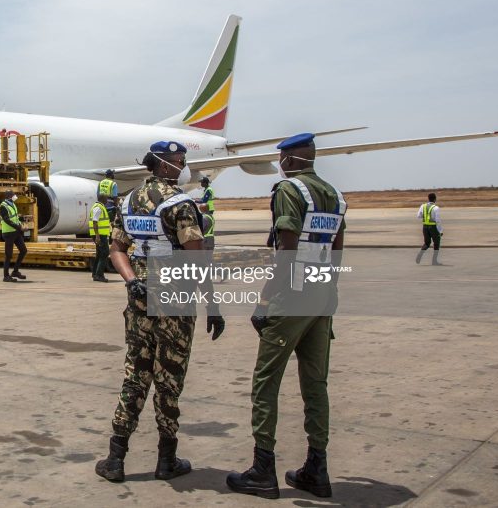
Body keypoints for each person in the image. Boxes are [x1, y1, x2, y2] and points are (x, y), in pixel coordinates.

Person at [95, 141, 225, 484]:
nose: (184, 166)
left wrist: (132, 281)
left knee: (135, 374)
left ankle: (115, 459)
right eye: (181, 161)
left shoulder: (129, 200)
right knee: (169, 377)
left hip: (140, 297)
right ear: (167, 165)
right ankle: (166, 460)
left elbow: (117, 249)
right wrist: (212, 305)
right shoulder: (181, 203)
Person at [227, 133, 345, 500]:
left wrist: (264, 301)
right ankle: (317, 468)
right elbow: (337, 251)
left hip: (291, 297)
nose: (280, 164)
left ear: (291, 161)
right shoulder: (335, 195)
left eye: (282, 159)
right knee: (315, 384)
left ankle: (263, 470)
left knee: (266, 382)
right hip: (322, 297)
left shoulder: (288, 190)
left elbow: (288, 249)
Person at [0, 191, 27, 282]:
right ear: (10, 197)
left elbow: (15, 218)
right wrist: (19, 227)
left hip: (16, 232)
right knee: (8, 255)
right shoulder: (3, 206)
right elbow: (7, 220)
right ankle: (6, 276)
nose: (15, 196)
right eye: (14, 195)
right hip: (8, 233)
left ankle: (15, 271)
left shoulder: (12, 204)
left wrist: (21, 224)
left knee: (23, 250)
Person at [415, 193, 443, 265]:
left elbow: (418, 216)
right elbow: (438, 220)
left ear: (428, 198)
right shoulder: (436, 208)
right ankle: (434, 261)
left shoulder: (423, 206)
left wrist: (426, 216)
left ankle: (420, 254)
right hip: (433, 228)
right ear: (435, 199)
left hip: (425, 227)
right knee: (436, 243)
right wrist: (440, 231)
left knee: (427, 243)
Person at [89, 195, 111, 282]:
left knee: (99, 253)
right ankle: (99, 275)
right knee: (105, 253)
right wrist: (97, 236)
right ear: (102, 199)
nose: (107, 200)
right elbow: (95, 222)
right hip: (100, 235)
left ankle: (95, 273)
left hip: (101, 234)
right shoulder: (98, 208)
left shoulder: (99, 207)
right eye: (106, 198)